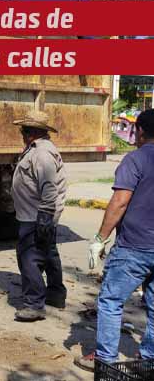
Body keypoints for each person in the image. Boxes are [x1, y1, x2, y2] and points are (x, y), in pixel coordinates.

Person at [75, 109, 154, 372]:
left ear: (140, 130)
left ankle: (106, 360)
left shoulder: (135, 160)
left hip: (135, 246)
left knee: (110, 301)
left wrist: (100, 238)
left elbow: (120, 202)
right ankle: (148, 361)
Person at [11, 110, 68, 322]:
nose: (21, 134)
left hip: (35, 216)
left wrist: (44, 215)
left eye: (24, 130)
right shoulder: (37, 150)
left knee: (29, 258)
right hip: (37, 214)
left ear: (32, 132)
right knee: (48, 253)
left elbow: (49, 187)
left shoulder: (42, 154)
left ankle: (34, 305)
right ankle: (55, 294)